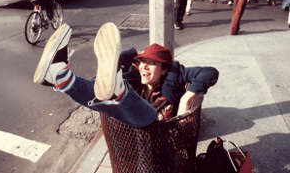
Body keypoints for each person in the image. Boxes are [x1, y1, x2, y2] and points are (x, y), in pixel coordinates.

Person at [33, 22, 219, 128]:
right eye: (142, 62)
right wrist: (133, 56)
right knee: (101, 92)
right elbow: (96, 85)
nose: (144, 68)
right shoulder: (134, 74)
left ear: (164, 69)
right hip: (131, 132)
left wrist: (189, 95)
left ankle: (118, 92)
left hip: (164, 135)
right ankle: (61, 77)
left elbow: (210, 72)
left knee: (148, 116)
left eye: (152, 63)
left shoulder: (174, 74)